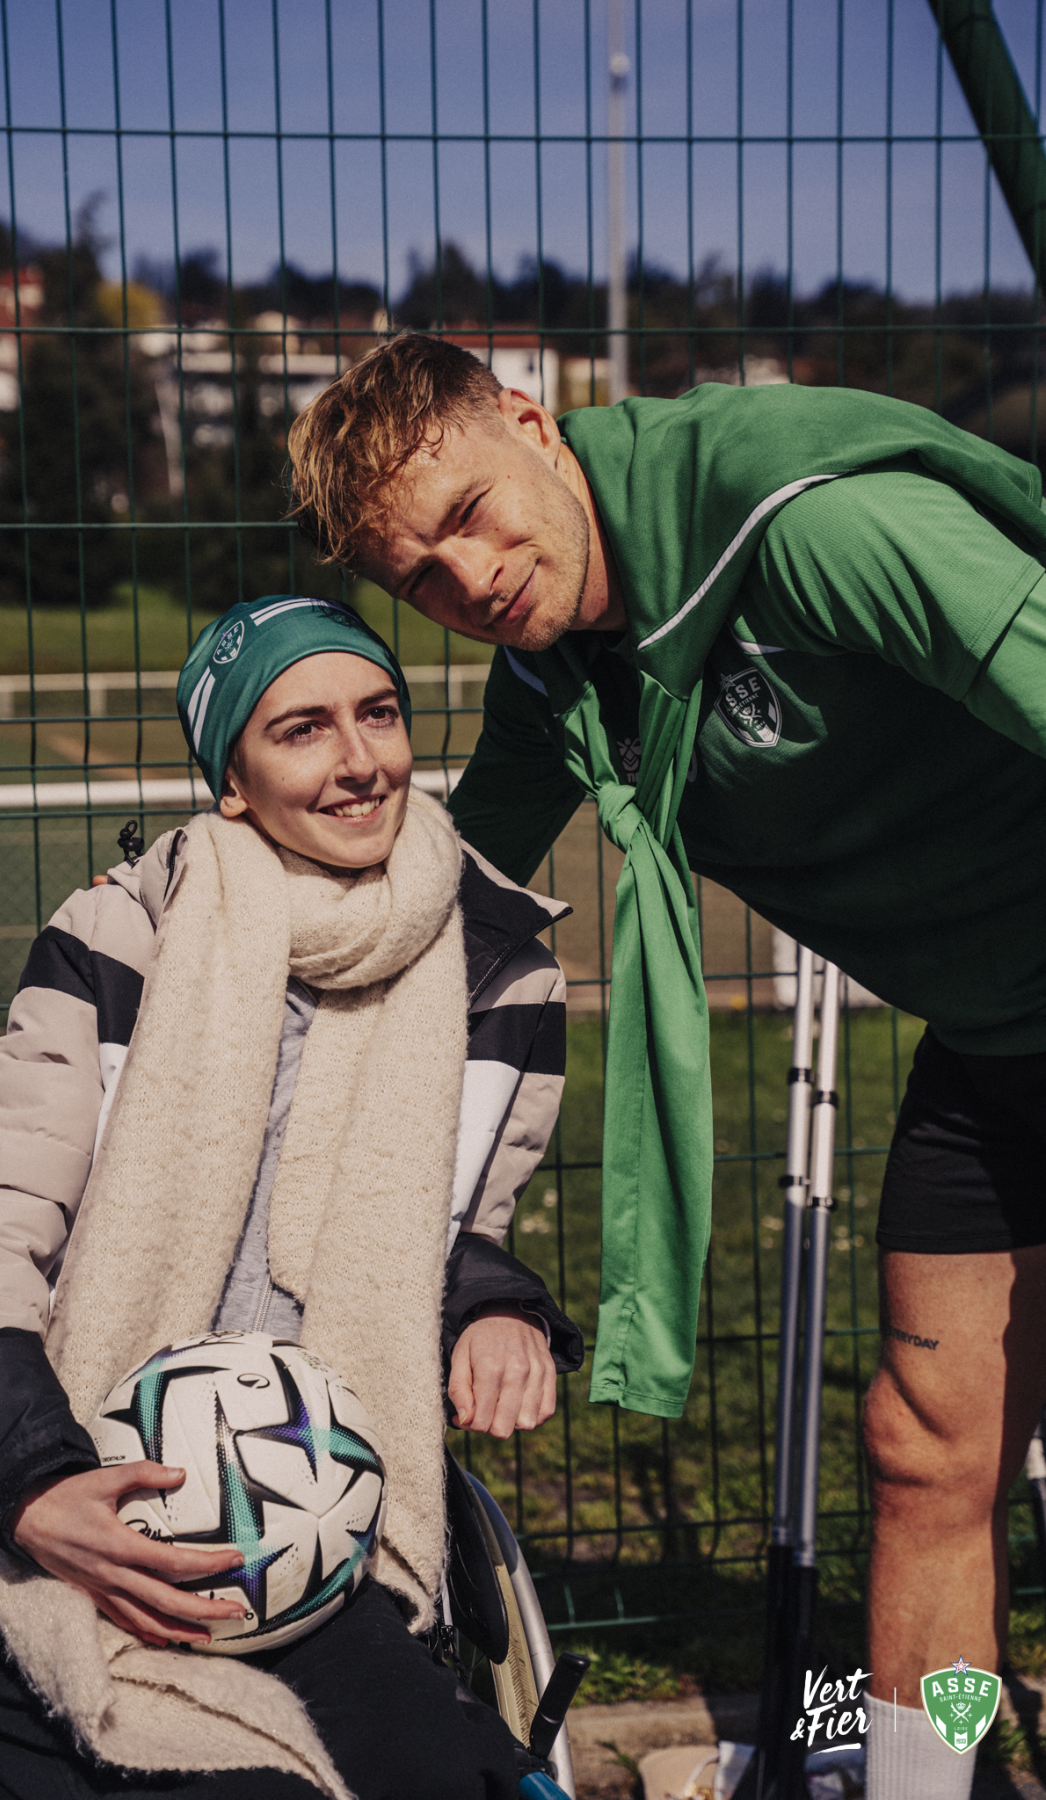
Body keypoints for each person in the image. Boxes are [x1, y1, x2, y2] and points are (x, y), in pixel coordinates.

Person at [286, 333, 1046, 1799]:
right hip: (997, 1044)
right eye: (420, 578)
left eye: (468, 515)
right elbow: (445, 905)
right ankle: (923, 1784)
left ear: (531, 423)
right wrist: (216, 958)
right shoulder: (557, 681)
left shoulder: (813, 526)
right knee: (924, 1453)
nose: (470, 578)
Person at [0, 593, 583, 1800]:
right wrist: (36, 1483)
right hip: (79, 1487)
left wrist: (498, 1306)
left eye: (379, 713)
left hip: (316, 1530)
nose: (360, 761)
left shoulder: (499, 970)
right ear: (233, 779)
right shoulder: (125, 935)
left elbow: (448, 1231)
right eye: (302, 729)